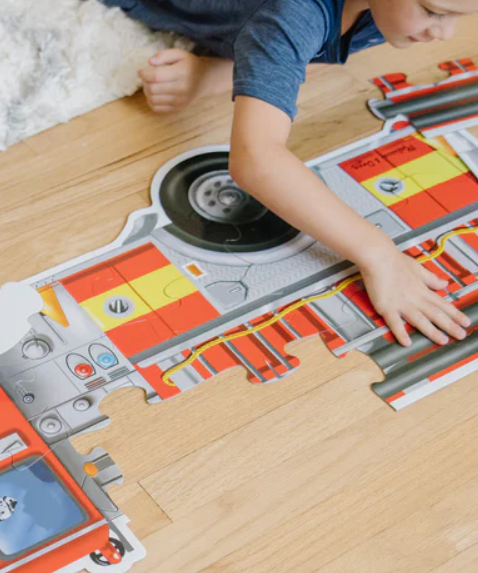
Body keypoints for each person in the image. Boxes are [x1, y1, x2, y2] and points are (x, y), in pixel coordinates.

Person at [100, 0, 478, 348]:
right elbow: (255, 159)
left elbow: (312, 50)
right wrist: (380, 256)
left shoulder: (384, 13)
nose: (444, 34)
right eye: (433, 10)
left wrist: (215, 74)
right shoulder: (292, 12)